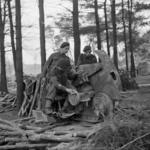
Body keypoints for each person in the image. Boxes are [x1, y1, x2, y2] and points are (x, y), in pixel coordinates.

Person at [41, 42, 78, 114]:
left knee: (73, 89)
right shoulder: (53, 55)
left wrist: (75, 74)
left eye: (68, 49)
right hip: (52, 76)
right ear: (61, 48)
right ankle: (47, 108)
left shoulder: (67, 58)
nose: (67, 50)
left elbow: (69, 71)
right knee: (53, 87)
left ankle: (65, 108)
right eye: (65, 49)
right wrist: (43, 76)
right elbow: (46, 65)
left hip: (63, 77)